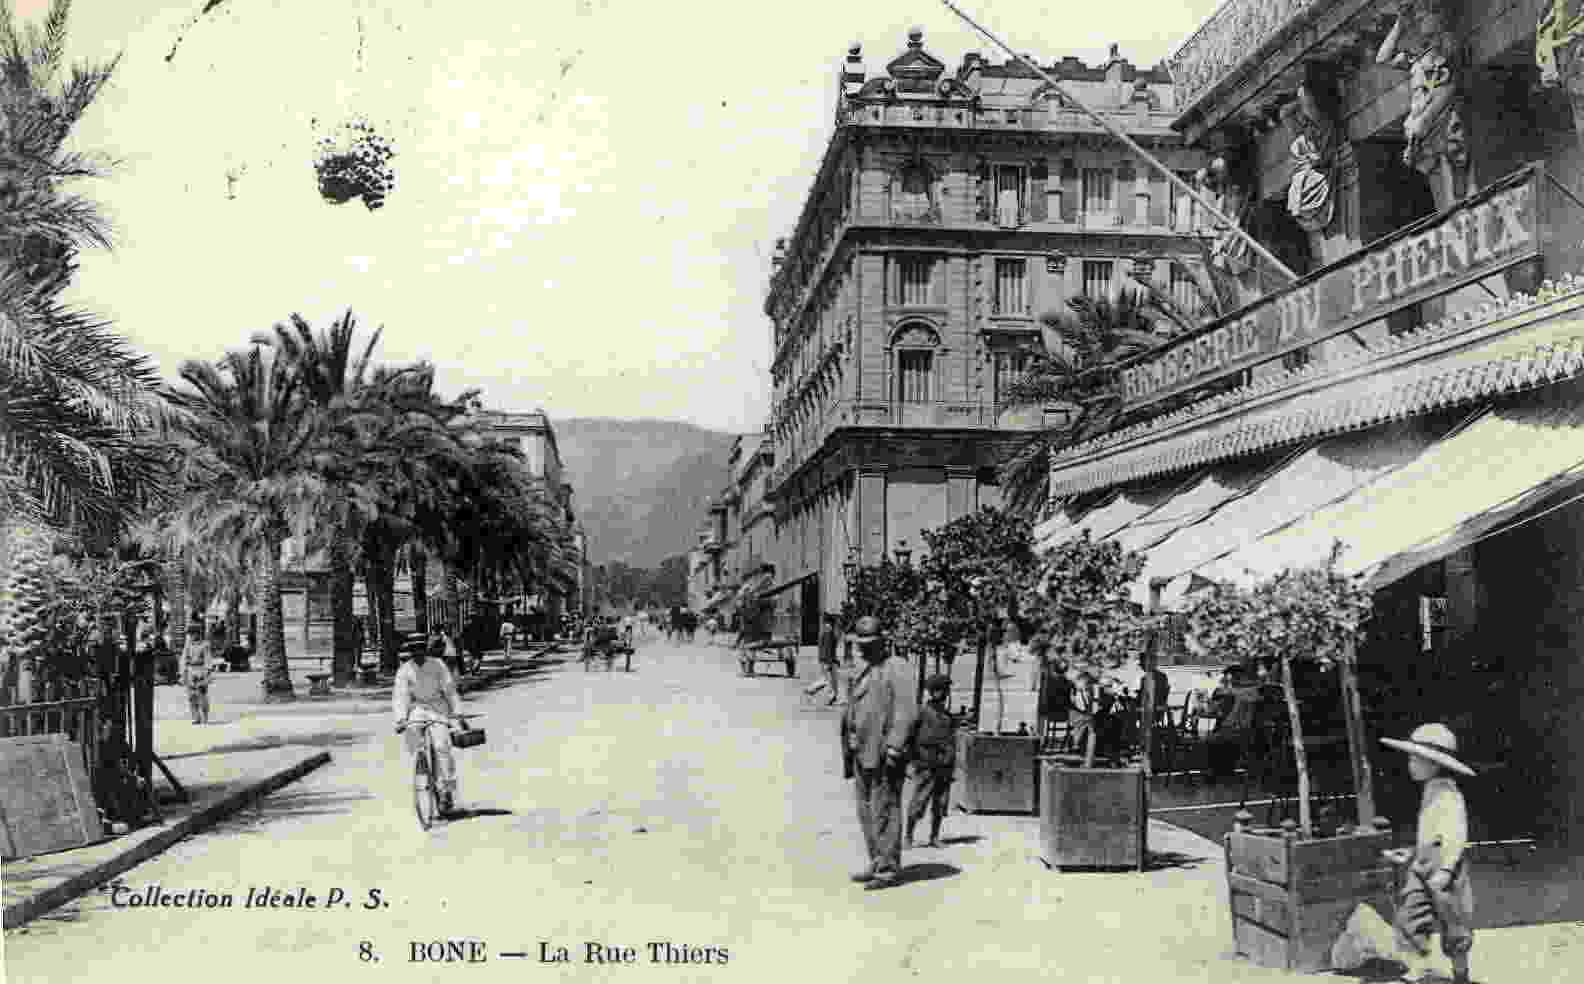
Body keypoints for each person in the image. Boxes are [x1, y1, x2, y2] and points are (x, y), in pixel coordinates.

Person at [1380, 723, 1476, 984]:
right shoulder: (1430, 789)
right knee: (1410, 913)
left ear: (1433, 764)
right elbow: (1431, 834)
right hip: (1423, 864)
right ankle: (1418, 970)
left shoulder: (1449, 794)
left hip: (1446, 865)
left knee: (1454, 921)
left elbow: (1455, 836)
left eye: (1415, 759)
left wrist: (1446, 870)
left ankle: (1461, 974)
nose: (1410, 764)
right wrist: (1412, 853)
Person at [840, 616, 918, 890]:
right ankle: (876, 859)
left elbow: (907, 710)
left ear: (882, 642)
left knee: (884, 809)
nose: (863, 649)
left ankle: (887, 869)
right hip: (862, 752)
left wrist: (896, 745)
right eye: (861, 644)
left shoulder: (897, 667)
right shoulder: (865, 668)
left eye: (870, 644)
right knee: (866, 811)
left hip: (884, 753)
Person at [394, 635, 465, 816]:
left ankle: (446, 789)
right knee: (411, 744)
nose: (418, 652)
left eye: (421, 648)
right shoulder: (404, 670)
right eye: (414, 649)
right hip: (417, 709)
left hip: (437, 708)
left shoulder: (438, 665)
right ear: (410, 651)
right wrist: (401, 718)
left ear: (425, 649)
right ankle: (419, 774)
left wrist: (457, 712)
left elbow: (449, 690)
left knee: (442, 746)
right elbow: (400, 696)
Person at [906, 674, 957, 849]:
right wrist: (912, 762)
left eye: (946, 691)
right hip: (926, 764)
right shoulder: (921, 713)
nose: (945, 694)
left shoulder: (948, 716)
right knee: (918, 803)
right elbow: (910, 738)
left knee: (940, 803)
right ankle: (908, 837)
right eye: (942, 690)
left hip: (944, 765)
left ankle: (934, 837)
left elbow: (951, 739)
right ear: (933, 692)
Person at [181, 622, 218, 725]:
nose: (191, 636)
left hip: (201, 670)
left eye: (193, 633)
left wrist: (207, 672)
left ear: (198, 633)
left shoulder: (205, 645)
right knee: (191, 696)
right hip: (190, 671)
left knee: (202, 695)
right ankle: (195, 717)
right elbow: (184, 658)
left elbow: (208, 659)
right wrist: (183, 671)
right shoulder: (188, 645)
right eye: (190, 634)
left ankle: (205, 715)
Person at [817, 613, 842, 706]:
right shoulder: (829, 631)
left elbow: (828, 648)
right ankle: (831, 697)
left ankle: (831, 697)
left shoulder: (826, 631)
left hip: (827, 659)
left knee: (830, 680)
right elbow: (828, 648)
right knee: (831, 680)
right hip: (828, 660)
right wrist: (830, 661)